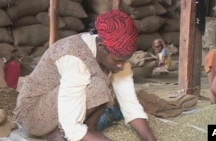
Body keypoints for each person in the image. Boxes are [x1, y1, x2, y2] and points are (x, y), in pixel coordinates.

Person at [14, 10, 156, 141]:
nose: (121, 65)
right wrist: (71, 131)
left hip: (64, 108)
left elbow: (129, 104)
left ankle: (88, 131)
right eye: (117, 60)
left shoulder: (118, 60)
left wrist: (151, 139)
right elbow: (72, 127)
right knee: (98, 85)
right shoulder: (74, 55)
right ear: (101, 48)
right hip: (33, 115)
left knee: (103, 88)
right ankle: (60, 134)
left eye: (125, 60)